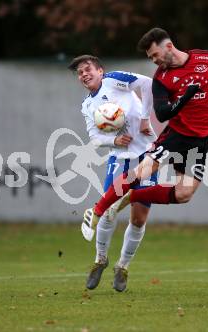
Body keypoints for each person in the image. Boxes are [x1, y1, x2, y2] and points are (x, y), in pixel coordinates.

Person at [83, 27, 208, 258]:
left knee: (184, 194)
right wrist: (185, 98)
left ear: (168, 46)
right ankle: (96, 212)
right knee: (139, 172)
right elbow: (162, 113)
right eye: (150, 58)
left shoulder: (205, 58)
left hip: (200, 140)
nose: (154, 60)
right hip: (176, 136)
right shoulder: (161, 78)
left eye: (155, 55)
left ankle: (134, 196)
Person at [68, 55, 158, 292]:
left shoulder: (115, 80)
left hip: (148, 155)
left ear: (100, 70)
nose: (84, 75)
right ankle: (100, 260)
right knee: (109, 211)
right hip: (119, 159)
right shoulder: (88, 106)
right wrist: (114, 139)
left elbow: (148, 83)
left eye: (87, 69)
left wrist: (146, 118)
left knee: (138, 217)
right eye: (79, 73)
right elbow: (95, 138)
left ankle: (123, 266)